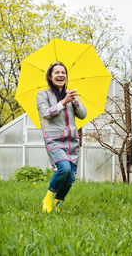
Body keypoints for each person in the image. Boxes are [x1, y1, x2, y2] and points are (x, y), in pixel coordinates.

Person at [36, 61, 87, 213]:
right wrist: (63, 102)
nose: (60, 75)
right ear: (50, 77)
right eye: (56, 72)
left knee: (70, 177)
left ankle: (57, 203)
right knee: (63, 168)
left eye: (63, 72)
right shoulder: (43, 94)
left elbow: (83, 115)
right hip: (54, 139)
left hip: (72, 141)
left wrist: (74, 100)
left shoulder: (71, 95)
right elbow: (46, 113)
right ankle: (49, 197)